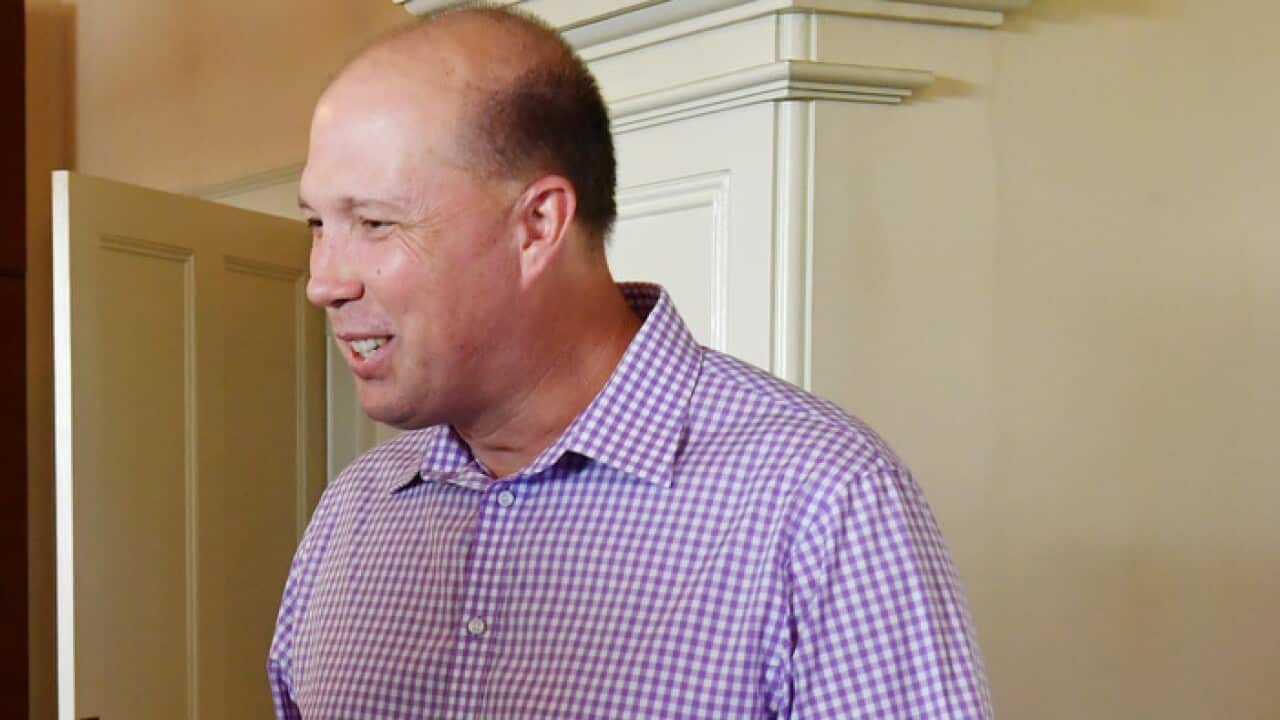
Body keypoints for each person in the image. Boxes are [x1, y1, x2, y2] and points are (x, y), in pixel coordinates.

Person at [270, 6, 991, 719]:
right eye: (317, 225)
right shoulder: (354, 511)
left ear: (538, 225)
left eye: (373, 224)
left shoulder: (825, 503)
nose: (323, 280)